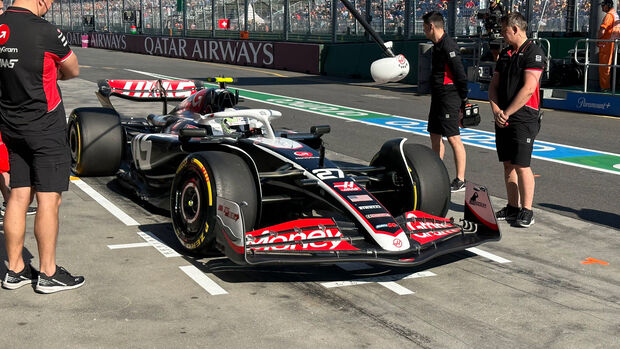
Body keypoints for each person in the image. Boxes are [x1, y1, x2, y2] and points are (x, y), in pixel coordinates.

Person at [0, 0, 85, 293]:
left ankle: (15, 269)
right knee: (49, 199)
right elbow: (73, 69)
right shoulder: (44, 30)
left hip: (10, 123)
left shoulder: (1, 25)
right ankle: (48, 273)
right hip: (44, 125)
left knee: (19, 194)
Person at [488, 13, 546, 228]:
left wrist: (508, 112)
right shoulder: (505, 53)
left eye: (504, 30)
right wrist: (496, 110)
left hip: (524, 116)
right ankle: (512, 206)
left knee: (522, 165)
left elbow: (529, 88)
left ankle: (527, 210)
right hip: (503, 115)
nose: (502, 35)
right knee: (508, 165)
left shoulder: (534, 52)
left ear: (515, 29)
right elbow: (493, 85)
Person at [422, 11, 469, 192]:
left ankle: (460, 179)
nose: (424, 30)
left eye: (425, 27)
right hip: (438, 96)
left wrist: (463, 98)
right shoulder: (436, 45)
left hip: (449, 96)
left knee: (453, 138)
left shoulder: (449, 45)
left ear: (431, 27)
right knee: (434, 134)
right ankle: (437, 173)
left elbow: (460, 74)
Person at [598, 0, 620, 92]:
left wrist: (597, 39)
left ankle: (605, 87)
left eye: (603, 5)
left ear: (608, 5)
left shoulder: (609, 16)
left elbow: (602, 30)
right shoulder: (615, 14)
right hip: (614, 43)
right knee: (609, 66)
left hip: (606, 44)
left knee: (604, 67)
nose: (602, 7)